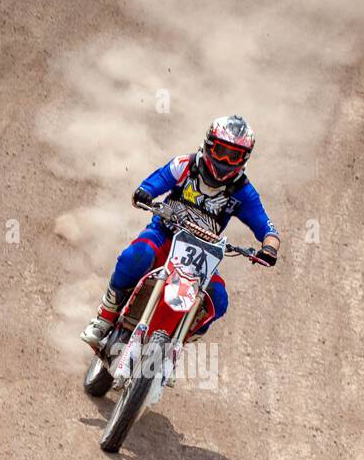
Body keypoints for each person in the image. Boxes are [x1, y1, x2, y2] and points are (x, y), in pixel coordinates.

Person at [81, 115, 280, 349]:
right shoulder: (185, 165)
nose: (225, 160)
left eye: (233, 155)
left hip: (200, 255)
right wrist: (145, 193)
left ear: (243, 159)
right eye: (220, 151)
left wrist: (269, 248)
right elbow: (154, 183)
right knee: (136, 256)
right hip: (164, 234)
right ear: (208, 145)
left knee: (218, 299)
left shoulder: (243, 192)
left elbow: (267, 228)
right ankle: (105, 317)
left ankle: (174, 344)